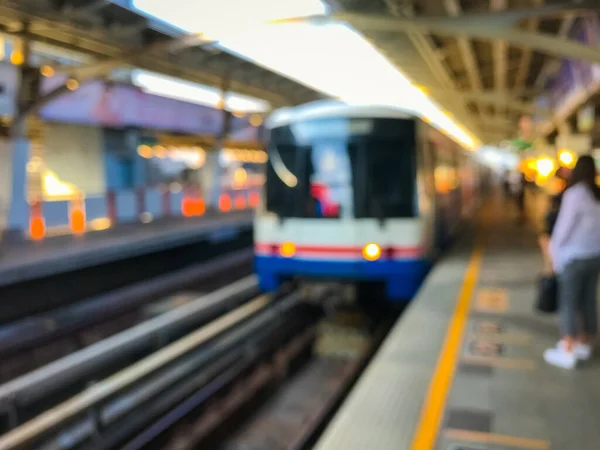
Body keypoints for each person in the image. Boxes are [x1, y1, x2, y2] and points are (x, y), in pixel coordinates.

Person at [544, 155, 600, 369]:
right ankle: (584, 342)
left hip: (574, 258)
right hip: (595, 256)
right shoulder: (597, 195)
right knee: (588, 300)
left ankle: (567, 348)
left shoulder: (575, 194)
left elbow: (562, 229)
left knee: (568, 302)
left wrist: (554, 255)